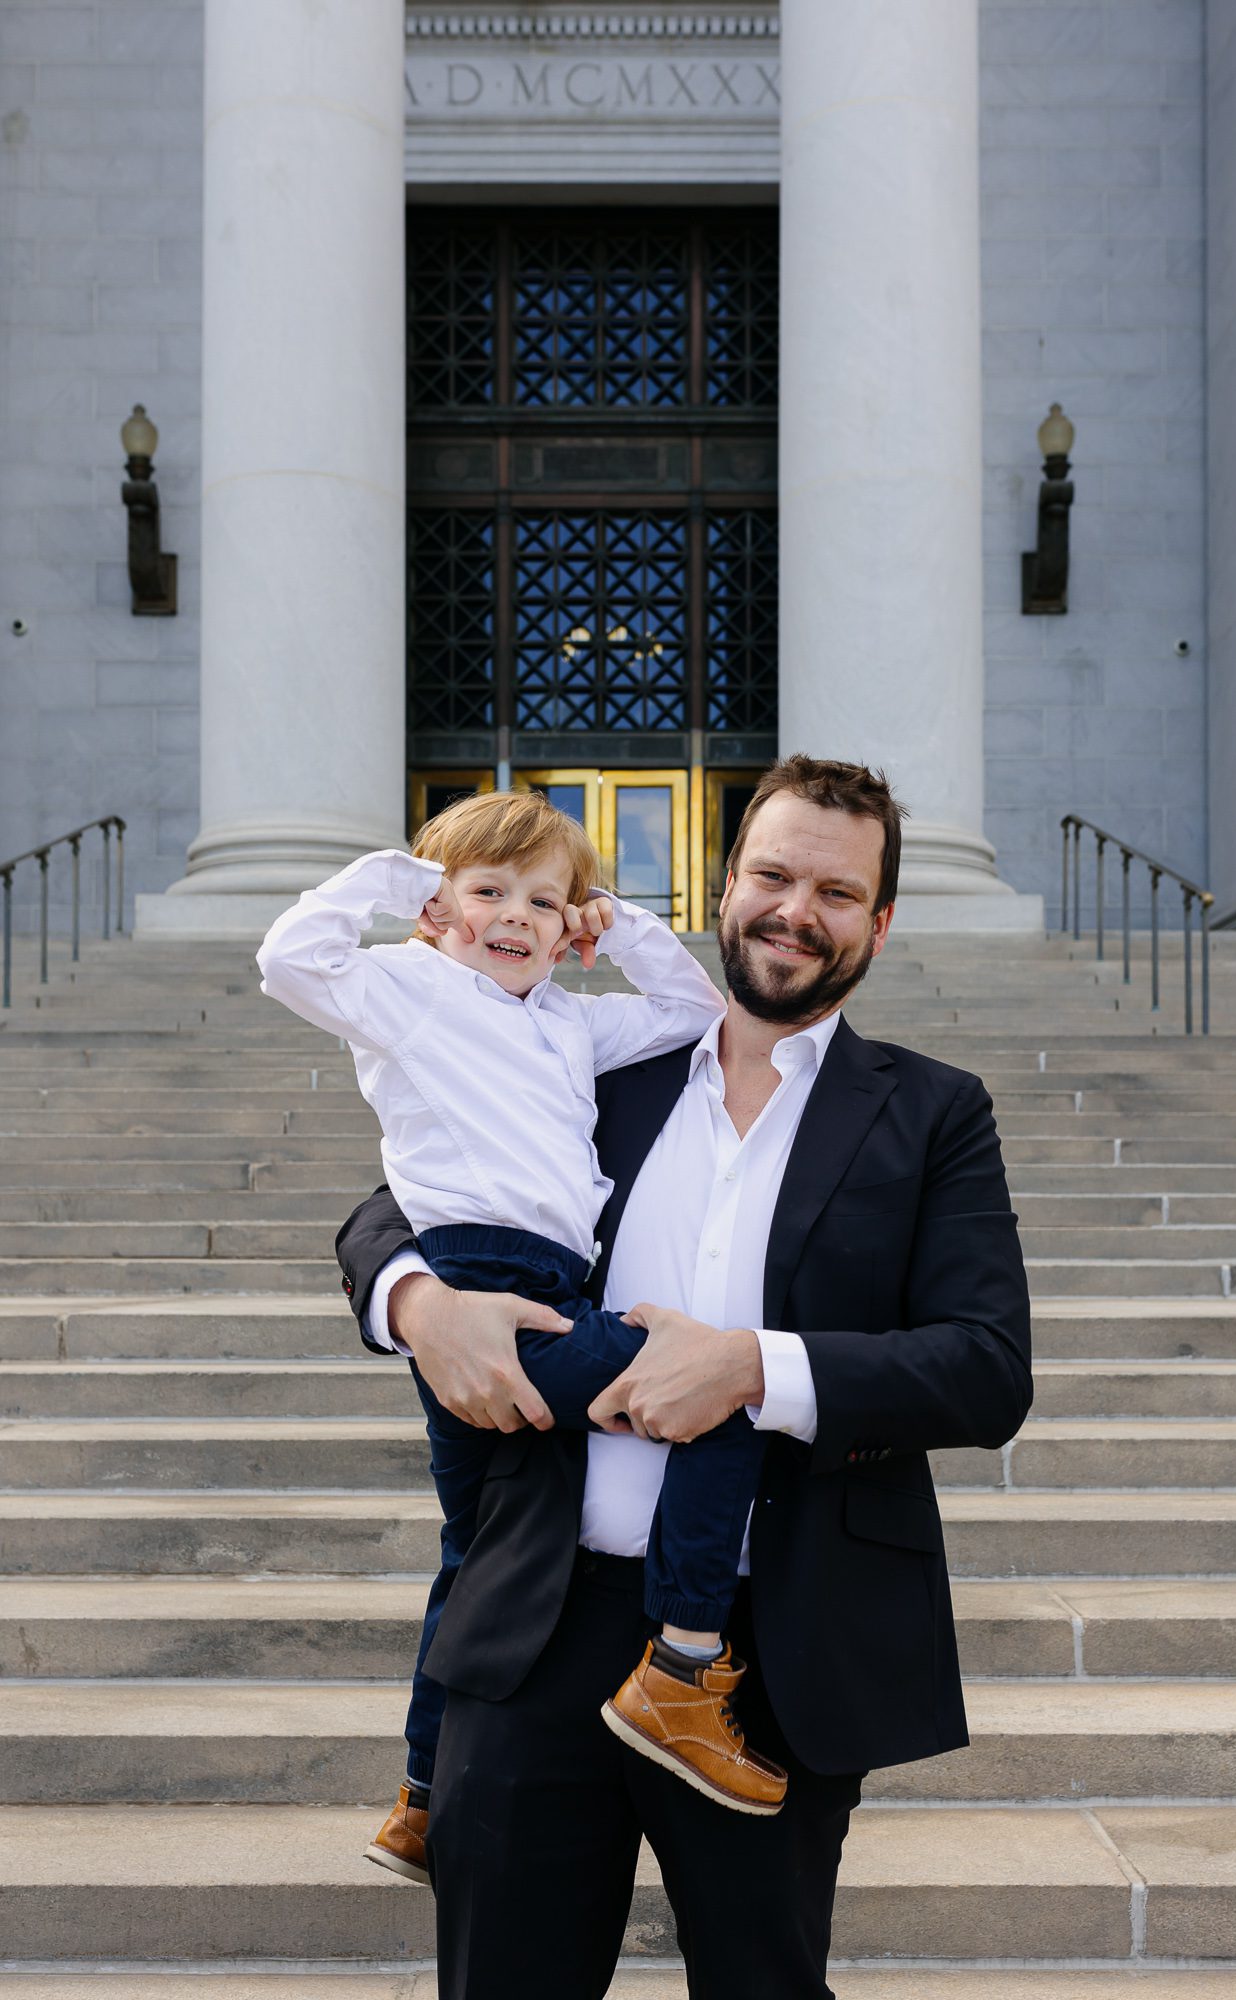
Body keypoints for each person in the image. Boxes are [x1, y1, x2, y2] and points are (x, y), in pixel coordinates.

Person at [337, 755, 1033, 2000]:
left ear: (878, 921)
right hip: (535, 1623)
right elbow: (396, 1206)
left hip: (767, 1651)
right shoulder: (589, 1049)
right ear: (725, 886)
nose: (793, 909)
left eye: (835, 888)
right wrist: (416, 1302)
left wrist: (751, 1367)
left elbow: (985, 1368)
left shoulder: (933, 1112)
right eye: (772, 873)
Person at [256, 791, 792, 1882]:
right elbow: (289, 958)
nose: (515, 913)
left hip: (553, 1282)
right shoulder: (410, 987)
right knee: (720, 1392)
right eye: (488, 891)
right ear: (439, 909)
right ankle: (683, 1668)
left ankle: (419, 1793)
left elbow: (694, 1009)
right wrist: (406, 881)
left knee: (476, 1547)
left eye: (542, 900)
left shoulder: (566, 1019)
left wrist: (615, 919)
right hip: (478, 1281)